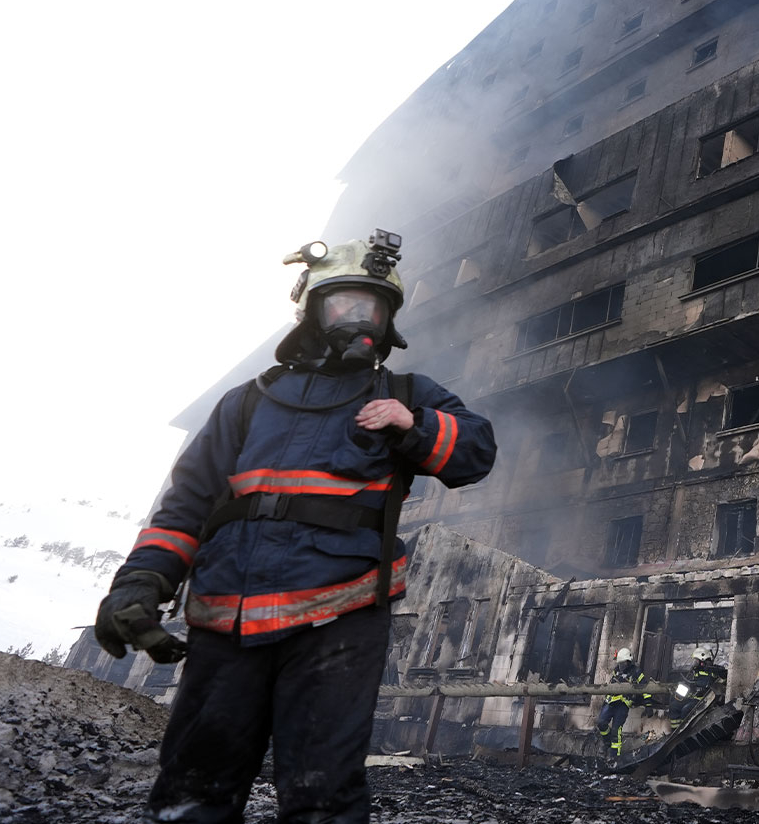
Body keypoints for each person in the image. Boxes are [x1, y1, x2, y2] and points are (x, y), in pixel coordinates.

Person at [93, 231, 497, 824]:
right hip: (224, 618)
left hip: (338, 617)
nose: (360, 318)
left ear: (389, 321)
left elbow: (477, 453)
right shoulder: (247, 402)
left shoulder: (406, 394)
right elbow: (186, 506)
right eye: (345, 304)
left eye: (374, 307)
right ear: (311, 308)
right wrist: (140, 583)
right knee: (192, 791)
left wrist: (415, 424)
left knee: (322, 797)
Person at [595, 647, 657, 757]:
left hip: (622, 704)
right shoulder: (616, 670)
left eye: (623, 664)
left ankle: (614, 757)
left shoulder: (636, 671)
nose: (621, 666)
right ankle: (607, 742)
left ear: (628, 662)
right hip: (610, 702)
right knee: (601, 723)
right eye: (619, 664)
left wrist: (648, 704)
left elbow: (645, 687)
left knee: (616, 730)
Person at [667, 647, 728, 729]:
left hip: (705, 700)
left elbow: (725, 675)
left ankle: (684, 732)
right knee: (674, 706)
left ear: (702, 660)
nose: (694, 663)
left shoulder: (713, 670)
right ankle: (675, 731)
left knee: (686, 710)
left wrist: (713, 670)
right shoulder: (695, 671)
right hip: (694, 698)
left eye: (696, 660)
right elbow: (689, 682)